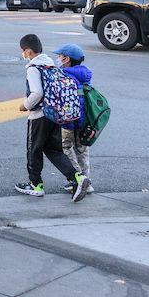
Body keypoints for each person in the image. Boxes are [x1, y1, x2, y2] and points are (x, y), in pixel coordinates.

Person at [15, 34, 89, 200]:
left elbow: (37, 92)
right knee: (53, 149)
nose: (22, 54)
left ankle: (36, 184)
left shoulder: (33, 68)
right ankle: (77, 177)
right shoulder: (50, 64)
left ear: (27, 51)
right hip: (54, 114)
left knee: (33, 149)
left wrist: (24, 105)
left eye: (22, 51)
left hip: (39, 115)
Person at [54, 44, 94, 193]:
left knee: (65, 148)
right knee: (82, 150)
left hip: (69, 121)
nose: (58, 58)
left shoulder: (65, 75)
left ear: (66, 59)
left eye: (60, 56)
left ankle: (78, 179)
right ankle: (87, 182)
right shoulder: (84, 74)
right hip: (85, 120)